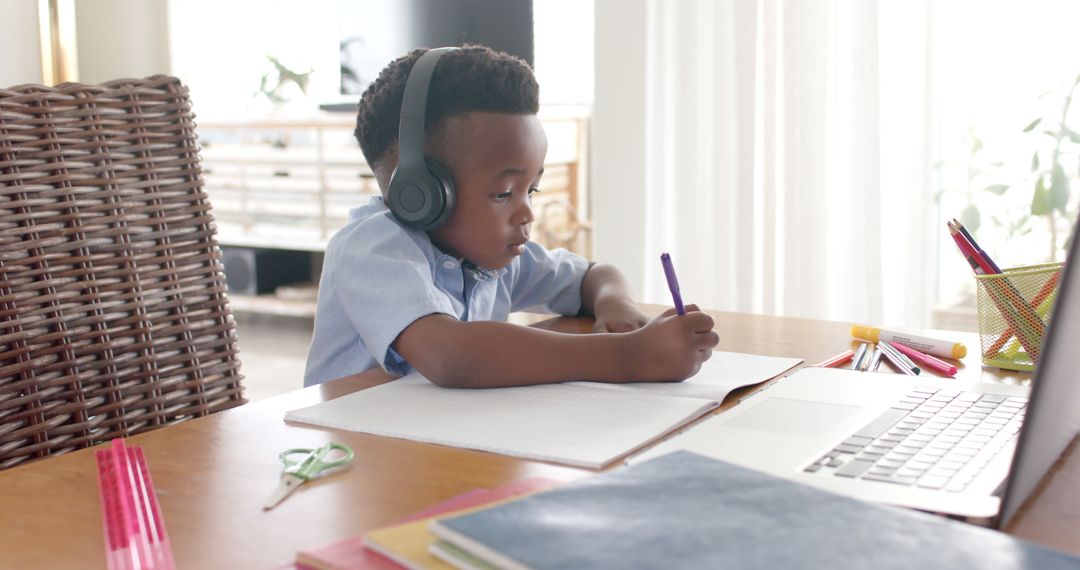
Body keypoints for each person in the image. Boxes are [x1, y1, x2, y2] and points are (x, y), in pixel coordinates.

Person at [303, 45, 718, 388]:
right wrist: (631, 356)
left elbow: (594, 275)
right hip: (354, 460)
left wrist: (616, 304)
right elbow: (453, 356)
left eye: (531, 190)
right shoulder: (371, 247)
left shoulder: (491, 260)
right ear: (421, 193)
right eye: (504, 193)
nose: (526, 212)